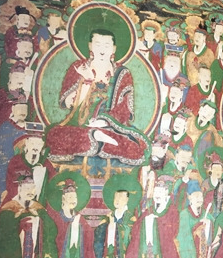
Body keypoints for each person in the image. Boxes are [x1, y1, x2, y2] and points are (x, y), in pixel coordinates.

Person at [45, 29, 149, 165]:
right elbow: (70, 105)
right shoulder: (78, 67)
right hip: (79, 125)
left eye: (106, 45)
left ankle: (97, 136)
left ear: (113, 49)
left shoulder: (123, 73)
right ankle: (94, 136)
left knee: (133, 147)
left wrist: (104, 121)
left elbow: (124, 110)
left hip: (111, 127)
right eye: (98, 44)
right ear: (90, 46)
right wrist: (87, 81)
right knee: (54, 135)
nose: (102, 50)